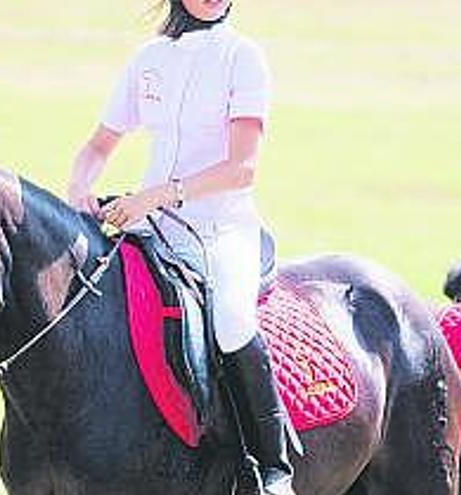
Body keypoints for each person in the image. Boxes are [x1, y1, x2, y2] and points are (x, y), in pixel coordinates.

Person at [67, 1, 295, 493]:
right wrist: (79, 189)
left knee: (232, 324)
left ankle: (272, 465)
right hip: (152, 225)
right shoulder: (149, 58)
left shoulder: (243, 57)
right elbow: (98, 145)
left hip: (222, 228)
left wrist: (154, 195)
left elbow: (242, 168)